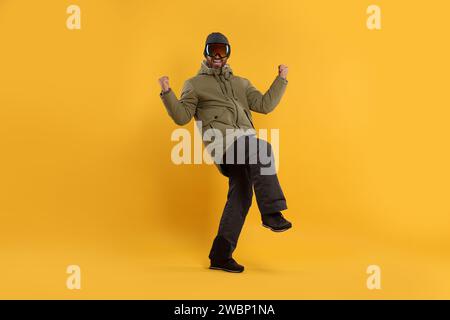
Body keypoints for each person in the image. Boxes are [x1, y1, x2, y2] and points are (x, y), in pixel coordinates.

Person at [159, 32, 292, 273]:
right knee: (263, 148)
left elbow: (264, 105)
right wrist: (167, 93)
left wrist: (281, 79)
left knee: (241, 197)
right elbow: (181, 117)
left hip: (245, 144)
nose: (218, 56)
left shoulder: (241, 83)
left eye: (222, 50)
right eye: (213, 51)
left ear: (228, 53)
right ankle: (271, 212)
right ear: (206, 53)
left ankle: (220, 255)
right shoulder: (194, 84)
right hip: (223, 144)